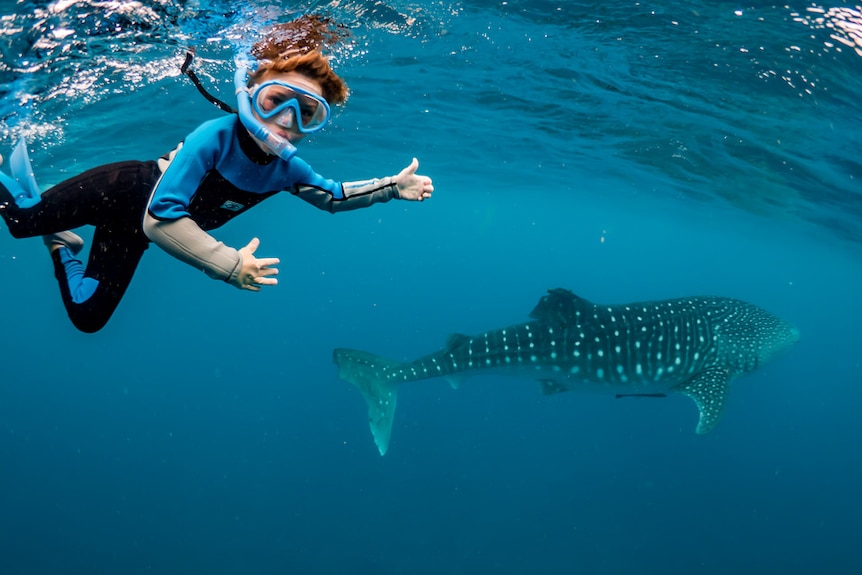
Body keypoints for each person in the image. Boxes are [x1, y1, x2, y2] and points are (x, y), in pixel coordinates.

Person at [0, 15, 434, 333]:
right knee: (20, 223)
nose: (286, 121)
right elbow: (160, 216)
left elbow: (332, 196)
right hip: (120, 191)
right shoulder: (215, 136)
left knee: (88, 318)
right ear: (250, 95)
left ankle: (61, 244)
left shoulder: (287, 170)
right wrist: (227, 264)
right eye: (275, 101)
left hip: (132, 231)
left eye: (306, 114)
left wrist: (392, 187)